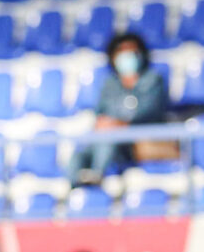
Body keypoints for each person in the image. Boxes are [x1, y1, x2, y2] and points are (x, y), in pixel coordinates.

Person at [67, 33, 168, 187]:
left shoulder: (153, 80)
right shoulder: (110, 83)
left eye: (132, 52)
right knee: (81, 150)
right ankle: (73, 186)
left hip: (138, 139)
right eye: (121, 52)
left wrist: (120, 124)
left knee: (108, 137)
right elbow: (100, 112)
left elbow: (149, 111)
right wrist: (105, 122)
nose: (127, 57)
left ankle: (97, 176)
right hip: (111, 137)